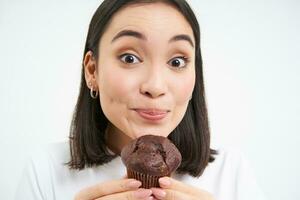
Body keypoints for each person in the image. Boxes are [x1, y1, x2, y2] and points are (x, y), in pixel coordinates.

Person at [15, 0, 267, 199]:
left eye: (177, 62)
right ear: (93, 70)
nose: (155, 86)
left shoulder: (231, 172)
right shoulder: (46, 170)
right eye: (129, 58)